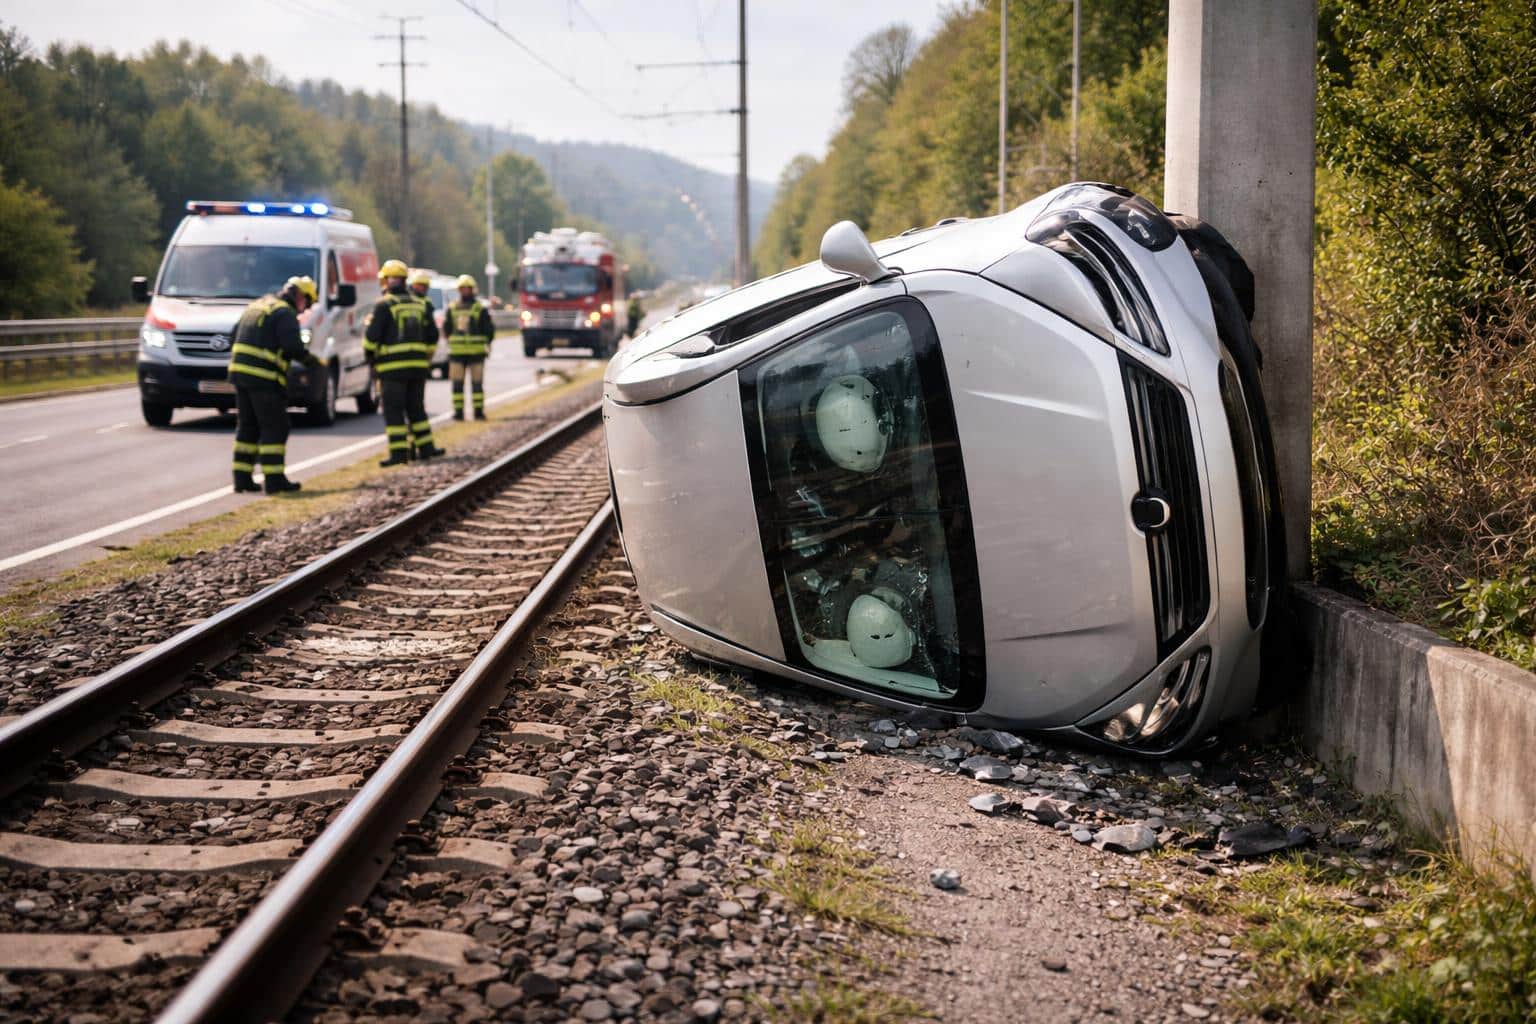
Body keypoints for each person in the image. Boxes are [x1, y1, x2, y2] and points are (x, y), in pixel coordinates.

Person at [229, 275, 323, 495]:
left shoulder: (258, 306)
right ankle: (274, 480)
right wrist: (313, 363)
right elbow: (292, 347)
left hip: (240, 375)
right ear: (299, 295)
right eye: (307, 303)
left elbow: (233, 335)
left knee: (248, 426)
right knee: (276, 426)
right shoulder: (284, 313)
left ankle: (241, 479)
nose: (305, 310)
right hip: (264, 378)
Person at [364, 259, 444, 467]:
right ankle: (427, 448)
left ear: (387, 281)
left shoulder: (384, 305)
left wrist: (370, 359)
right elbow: (432, 335)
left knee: (394, 411)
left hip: (391, 370)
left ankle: (399, 453)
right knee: (416, 408)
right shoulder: (420, 304)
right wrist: (424, 358)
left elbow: (371, 338)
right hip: (418, 369)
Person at [443, 274, 495, 420]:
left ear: (472, 290)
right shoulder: (453, 308)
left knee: (477, 385)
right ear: (459, 290)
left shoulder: (480, 309)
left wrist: (485, 344)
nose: (465, 291)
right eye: (463, 288)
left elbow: (488, 331)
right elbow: (447, 329)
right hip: (459, 354)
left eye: (468, 289)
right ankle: (458, 413)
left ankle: (478, 412)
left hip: (475, 354)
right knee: (457, 385)